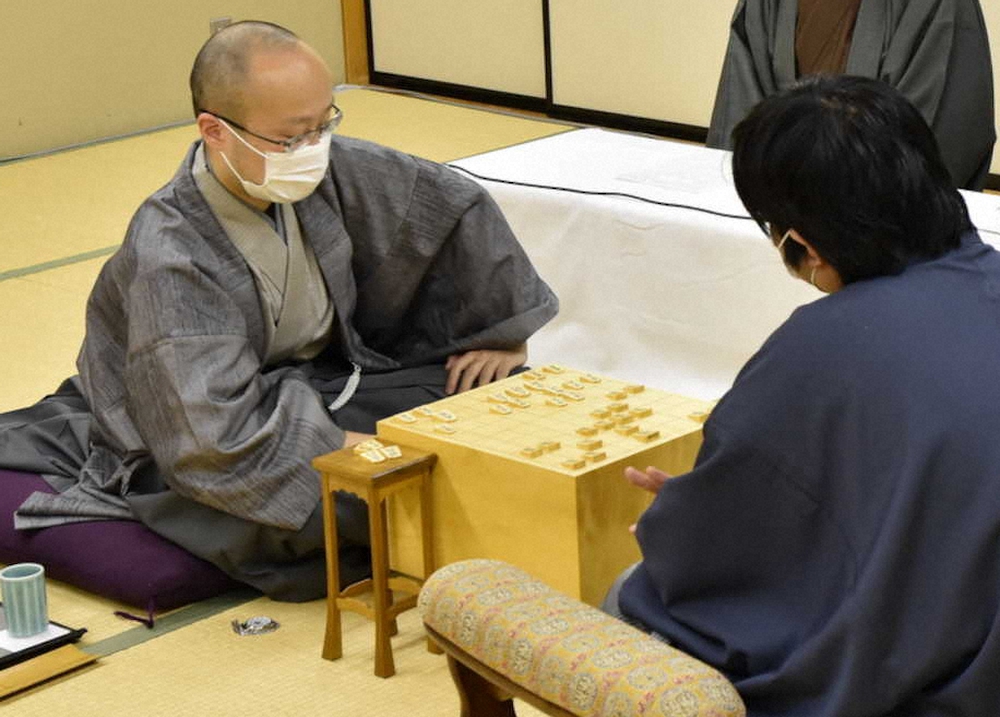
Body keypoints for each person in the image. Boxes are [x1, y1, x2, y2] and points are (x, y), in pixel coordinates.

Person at [0, 21, 557, 601]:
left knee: (504, 398)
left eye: (325, 124)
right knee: (346, 500)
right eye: (292, 137)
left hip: (320, 382)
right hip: (197, 426)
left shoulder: (323, 166)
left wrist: (502, 332)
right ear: (215, 130)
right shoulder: (171, 252)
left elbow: (443, 204)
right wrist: (359, 456)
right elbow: (208, 439)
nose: (313, 148)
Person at [609, 76, 1000, 714]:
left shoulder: (823, 343)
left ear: (802, 244)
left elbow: (733, 556)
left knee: (629, 594)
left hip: (953, 691)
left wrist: (681, 521)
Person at [706, 0, 996, 190]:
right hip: (779, 218)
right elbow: (742, 116)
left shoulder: (940, 5)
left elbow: (934, 140)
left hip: (882, 232)